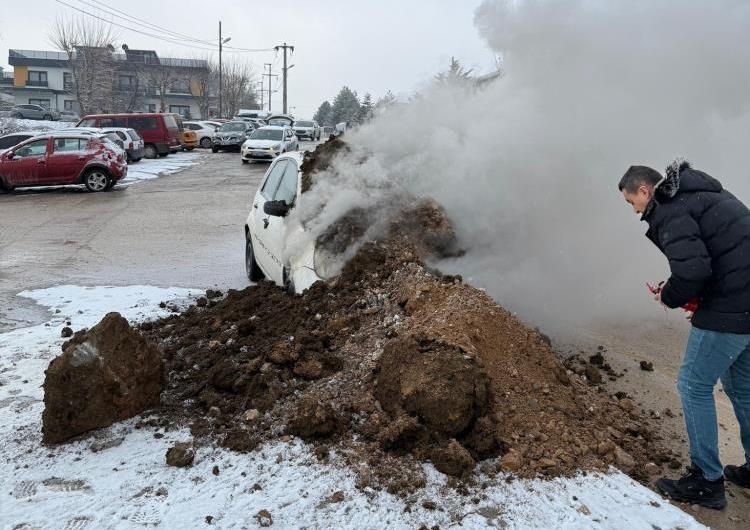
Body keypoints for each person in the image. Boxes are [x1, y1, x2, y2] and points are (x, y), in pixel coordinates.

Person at [619, 159, 750, 510]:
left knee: (693, 385)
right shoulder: (704, 195)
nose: (635, 211)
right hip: (745, 302)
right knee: (742, 388)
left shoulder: (672, 209)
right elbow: (720, 256)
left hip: (732, 308)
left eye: (632, 203)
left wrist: (670, 294)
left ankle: (707, 481)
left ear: (645, 190)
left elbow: (693, 269)